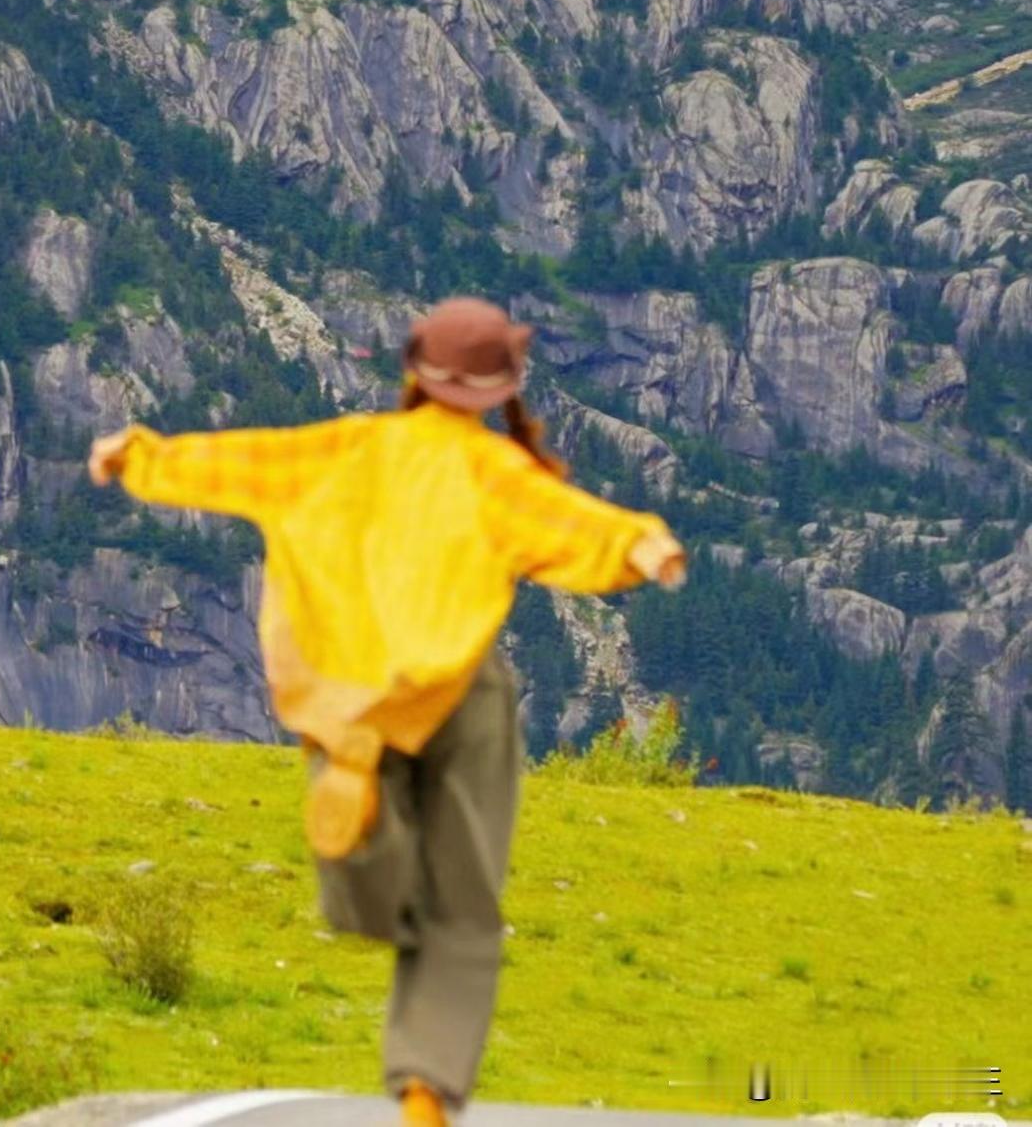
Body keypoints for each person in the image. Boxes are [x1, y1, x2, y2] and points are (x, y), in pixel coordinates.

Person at [89, 296, 686, 1127]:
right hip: (456, 693)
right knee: (463, 906)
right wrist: (642, 543)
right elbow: (574, 526)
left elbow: (245, 462)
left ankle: (361, 813)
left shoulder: (349, 449)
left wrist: (142, 456)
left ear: (413, 372)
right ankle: (423, 1093)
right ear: (498, 387)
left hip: (351, 690)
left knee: (377, 892)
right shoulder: (496, 475)